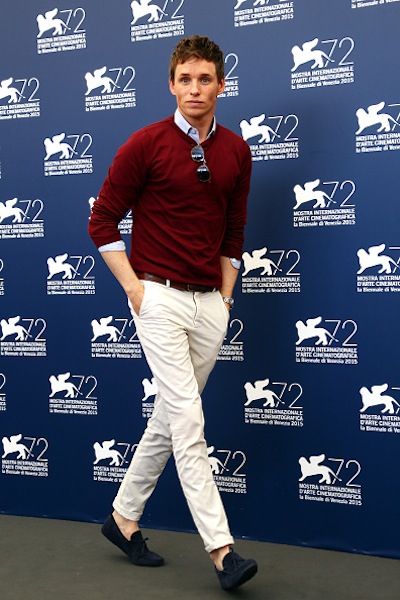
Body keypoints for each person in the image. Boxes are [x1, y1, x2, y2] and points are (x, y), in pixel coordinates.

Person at [88, 34, 256, 590]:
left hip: (210, 303)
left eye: (205, 78)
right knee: (188, 423)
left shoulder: (237, 150)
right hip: (157, 297)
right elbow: (102, 222)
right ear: (171, 84)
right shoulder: (146, 143)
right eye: (185, 79)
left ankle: (123, 518)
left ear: (221, 85)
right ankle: (222, 552)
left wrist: (226, 297)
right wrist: (135, 289)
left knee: (168, 417)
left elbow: (234, 231)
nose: (195, 88)